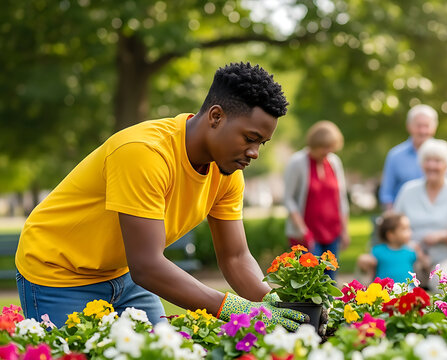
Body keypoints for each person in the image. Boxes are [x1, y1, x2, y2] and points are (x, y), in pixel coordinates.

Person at [14, 63, 306, 329]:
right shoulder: (143, 153)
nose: (254, 152)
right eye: (249, 138)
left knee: (166, 351)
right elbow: (148, 266)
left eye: (262, 144)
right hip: (60, 273)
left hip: (122, 272)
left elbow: (235, 256)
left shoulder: (227, 173)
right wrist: (232, 307)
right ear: (216, 117)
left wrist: (275, 304)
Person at [394, 139, 447, 277]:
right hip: (411, 256)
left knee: (440, 279)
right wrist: (411, 245)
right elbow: (393, 225)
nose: (431, 165)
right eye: (427, 160)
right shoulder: (408, 190)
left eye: (437, 161)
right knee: (395, 278)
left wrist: (443, 236)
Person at [283, 121, 349, 279]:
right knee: (310, 281)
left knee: (330, 281)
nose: (328, 151)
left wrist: (345, 231)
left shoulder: (334, 162)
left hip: (332, 232)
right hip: (307, 233)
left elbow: (341, 199)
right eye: (324, 147)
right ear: (314, 144)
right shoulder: (298, 162)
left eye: (331, 147)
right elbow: (288, 198)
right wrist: (302, 230)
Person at [379, 104, 447, 209]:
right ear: (409, 126)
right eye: (418, 126)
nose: (422, 131)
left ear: (434, 127)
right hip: (405, 217)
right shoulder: (395, 156)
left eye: (426, 126)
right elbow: (387, 195)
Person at [357, 212, 428, 283]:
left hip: (407, 289)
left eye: (409, 228)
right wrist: (364, 261)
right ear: (391, 235)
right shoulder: (378, 251)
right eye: (404, 229)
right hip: (385, 290)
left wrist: (419, 253)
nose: (409, 232)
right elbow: (367, 269)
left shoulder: (411, 250)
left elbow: (426, 265)